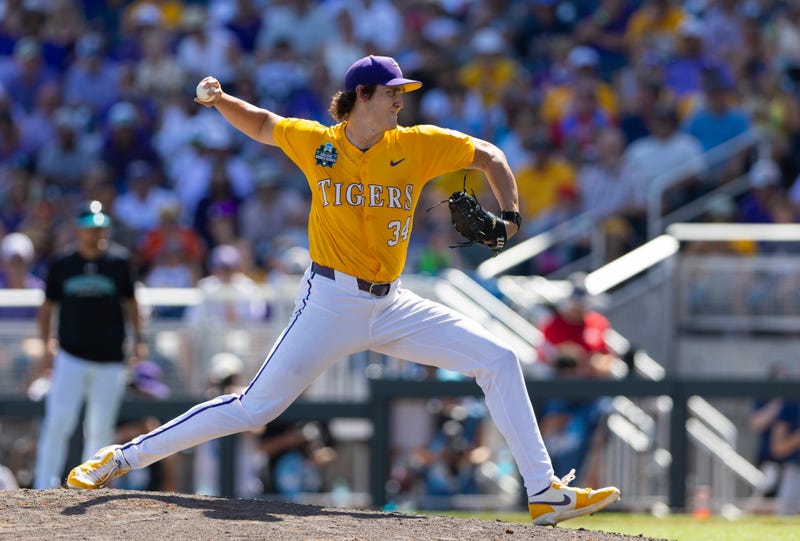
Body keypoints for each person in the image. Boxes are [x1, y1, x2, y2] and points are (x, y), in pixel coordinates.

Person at [67, 55, 620, 526]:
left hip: (392, 302)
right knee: (254, 407)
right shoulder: (319, 143)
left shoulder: (419, 144)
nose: (401, 101)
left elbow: (491, 156)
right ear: (362, 94)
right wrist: (219, 99)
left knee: (499, 358)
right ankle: (119, 458)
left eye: (404, 93)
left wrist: (513, 216)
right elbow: (262, 124)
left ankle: (544, 492)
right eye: (392, 93)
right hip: (329, 302)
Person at [32, 201, 146, 489]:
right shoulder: (62, 264)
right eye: (89, 229)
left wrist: (138, 340)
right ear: (78, 231)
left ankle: (92, 484)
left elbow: (131, 304)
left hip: (110, 359)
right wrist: (46, 345)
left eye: (99, 228)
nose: (95, 234)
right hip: (71, 356)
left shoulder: (119, 262)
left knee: (100, 427)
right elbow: (47, 307)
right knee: (58, 421)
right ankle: (45, 483)